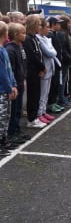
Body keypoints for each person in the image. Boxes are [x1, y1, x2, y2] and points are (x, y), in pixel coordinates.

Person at [6, 23, 31, 144]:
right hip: (15, 83)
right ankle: (11, 132)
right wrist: (14, 84)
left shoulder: (20, 47)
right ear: (15, 35)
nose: (25, 35)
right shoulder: (10, 49)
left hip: (21, 81)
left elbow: (23, 64)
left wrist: (24, 78)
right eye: (23, 33)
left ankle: (17, 129)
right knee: (14, 108)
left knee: (18, 109)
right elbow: (12, 69)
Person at [23, 14, 47, 128]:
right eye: (38, 24)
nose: (39, 26)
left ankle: (35, 117)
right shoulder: (27, 38)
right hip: (32, 71)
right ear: (33, 25)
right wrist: (42, 67)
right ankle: (31, 119)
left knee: (36, 94)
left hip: (37, 70)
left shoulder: (34, 37)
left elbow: (38, 54)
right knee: (33, 95)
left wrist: (41, 67)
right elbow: (32, 56)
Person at [0, 21, 18, 156]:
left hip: (7, 88)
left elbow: (9, 70)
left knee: (7, 116)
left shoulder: (3, 49)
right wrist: (8, 88)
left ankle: (3, 139)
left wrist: (14, 84)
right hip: (2, 90)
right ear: (4, 33)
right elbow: (2, 73)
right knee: (1, 117)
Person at [36, 18, 57, 124]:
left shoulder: (46, 38)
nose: (49, 30)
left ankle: (43, 111)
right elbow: (50, 53)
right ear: (41, 28)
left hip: (50, 68)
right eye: (47, 27)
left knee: (46, 92)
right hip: (44, 69)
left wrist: (52, 50)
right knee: (42, 93)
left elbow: (54, 51)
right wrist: (52, 51)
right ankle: (39, 113)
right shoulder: (38, 38)